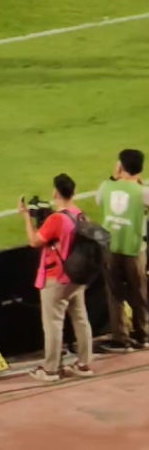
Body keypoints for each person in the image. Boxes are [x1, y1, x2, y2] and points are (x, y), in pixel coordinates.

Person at [19, 175, 93, 382]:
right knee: (80, 319)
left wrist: (26, 216)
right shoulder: (81, 215)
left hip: (57, 277)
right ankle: (84, 364)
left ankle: (51, 370)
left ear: (55, 193)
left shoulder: (55, 219)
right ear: (73, 193)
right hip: (78, 275)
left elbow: (35, 241)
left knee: (52, 323)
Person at [94, 149, 149, 352]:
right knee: (139, 292)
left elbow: (98, 201)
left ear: (120, 166)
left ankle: (120, 338)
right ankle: (143, 334)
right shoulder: (143, 192)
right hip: (134, 248)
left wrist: (113, 177)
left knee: (115, 293)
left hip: (111, 246)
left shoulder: (106, 187)